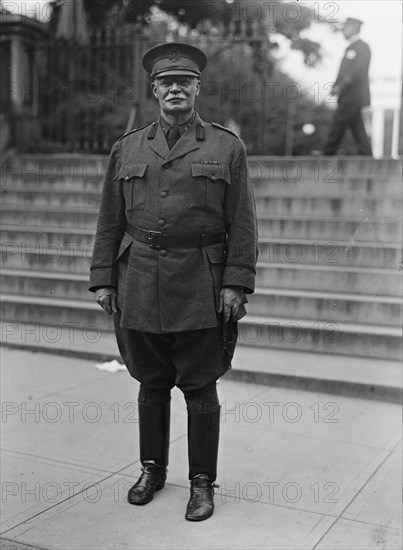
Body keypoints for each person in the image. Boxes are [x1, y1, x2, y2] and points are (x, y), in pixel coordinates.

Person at [89, 42, 258, 521]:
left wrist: (236, 283)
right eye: (167, 82)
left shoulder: (227, 146)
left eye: (185, 81)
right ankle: (152, 468)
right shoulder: (128, 147)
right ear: (155, 90)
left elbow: (243, 222)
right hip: (138, 278)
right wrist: (104, 278)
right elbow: (109, 220)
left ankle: (202, 481)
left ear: (197, 89)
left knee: (201, 388)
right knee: (151, 382)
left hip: (202, 285)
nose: (176, 88)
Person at [322, 17, 373, 156]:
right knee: (357, 129)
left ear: (353, 28)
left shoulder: (362, 47)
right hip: (348, 95)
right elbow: (344, 72)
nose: (343, 31)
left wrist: (340, 86)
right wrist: (335, 86)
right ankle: (367, 157)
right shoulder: (350, 48)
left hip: (353, 96)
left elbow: (356, 72)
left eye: (346, 28)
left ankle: (326, 155)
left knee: (338, 124)